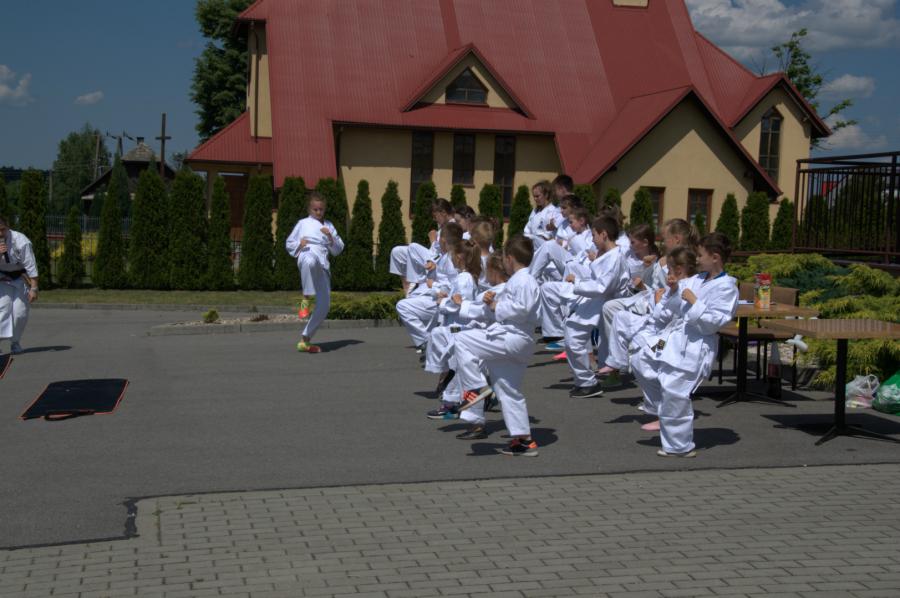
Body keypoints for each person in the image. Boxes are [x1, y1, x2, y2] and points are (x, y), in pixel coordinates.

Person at [630, 233, 738, 457]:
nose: (697, 259)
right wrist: (672, 290)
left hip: (696, 346)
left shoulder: (727, 287)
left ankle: (679, 446)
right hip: (673, 339)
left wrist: (694, 302)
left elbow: (713, 323)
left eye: (701, 255)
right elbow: (673, 305)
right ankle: (658, 408)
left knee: (676, 392)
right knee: (640, 359)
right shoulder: (696, 280)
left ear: (715, 257)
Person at [451, 235, 542, 456]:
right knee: (507, 389)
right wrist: (487, 304)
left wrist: (495, 305)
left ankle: (476, 387)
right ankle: (523, 441)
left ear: (510, 258)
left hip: (513, 338)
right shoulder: (519, 281)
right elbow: (498, 309)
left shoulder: (524, 280)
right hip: (515, 341)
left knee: (462, 340)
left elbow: (522, 309)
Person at [562, 215, 629, 398]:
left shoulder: (615, 258)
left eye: (594, 235)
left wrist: (577, 283)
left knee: (573, 335)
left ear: (604, 234)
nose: (592, 239)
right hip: (598, 300)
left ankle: (587, 383)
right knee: (572, 335)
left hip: (606, 302)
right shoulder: (608, 256)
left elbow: (602, 287)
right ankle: (585, 381)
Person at [285, 192, 345, 353]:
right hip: (307, 253)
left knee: (324, 306)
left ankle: (305, 340)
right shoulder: (302, 223)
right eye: (315, 209)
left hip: (323, 264)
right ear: (309, 209)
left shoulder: (329, 226)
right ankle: (306, 298)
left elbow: (338, 249)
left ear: (324, 209)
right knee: (310, 261)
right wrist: (300, 243)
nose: (318, 212)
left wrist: (330, 237)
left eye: (321, 209)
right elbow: (289, 243)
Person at [0, 215, 39, 355]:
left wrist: (34, 288)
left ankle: (15, 342)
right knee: (3, 310)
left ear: (8, 227)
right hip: (2, 278)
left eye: (2, 229)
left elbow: (31, 266)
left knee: (20, 313)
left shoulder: (21, 241)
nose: (0, 233)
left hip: (20, 278)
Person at [523, 181, 560, 250]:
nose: (535, 199)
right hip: (532, 244)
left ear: (546, 195)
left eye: (537, 196)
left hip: (545, 245)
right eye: (534, 196)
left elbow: (550, 234)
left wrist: (534, 238)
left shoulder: (554, 211)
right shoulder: (535, 211)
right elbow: (527, 228)